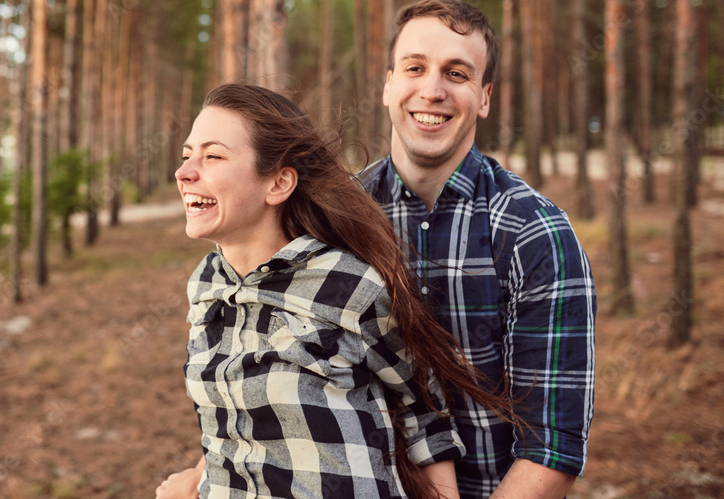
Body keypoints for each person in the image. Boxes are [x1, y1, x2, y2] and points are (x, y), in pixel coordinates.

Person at [157, 83, 518, 499]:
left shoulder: (346, 283)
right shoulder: (206, 282)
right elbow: (228, 420)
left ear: (278, 183)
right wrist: (197, 480)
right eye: (187, 156)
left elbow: (424, 414)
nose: (185, 172)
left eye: (213, 156)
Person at [360, 0, 596, 498]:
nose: (432, 90)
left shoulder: (536, 233)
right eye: (415, 68)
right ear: (388, 85)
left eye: (457, 74)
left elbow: (550, 450)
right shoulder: (339, 218)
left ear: (484, 98)